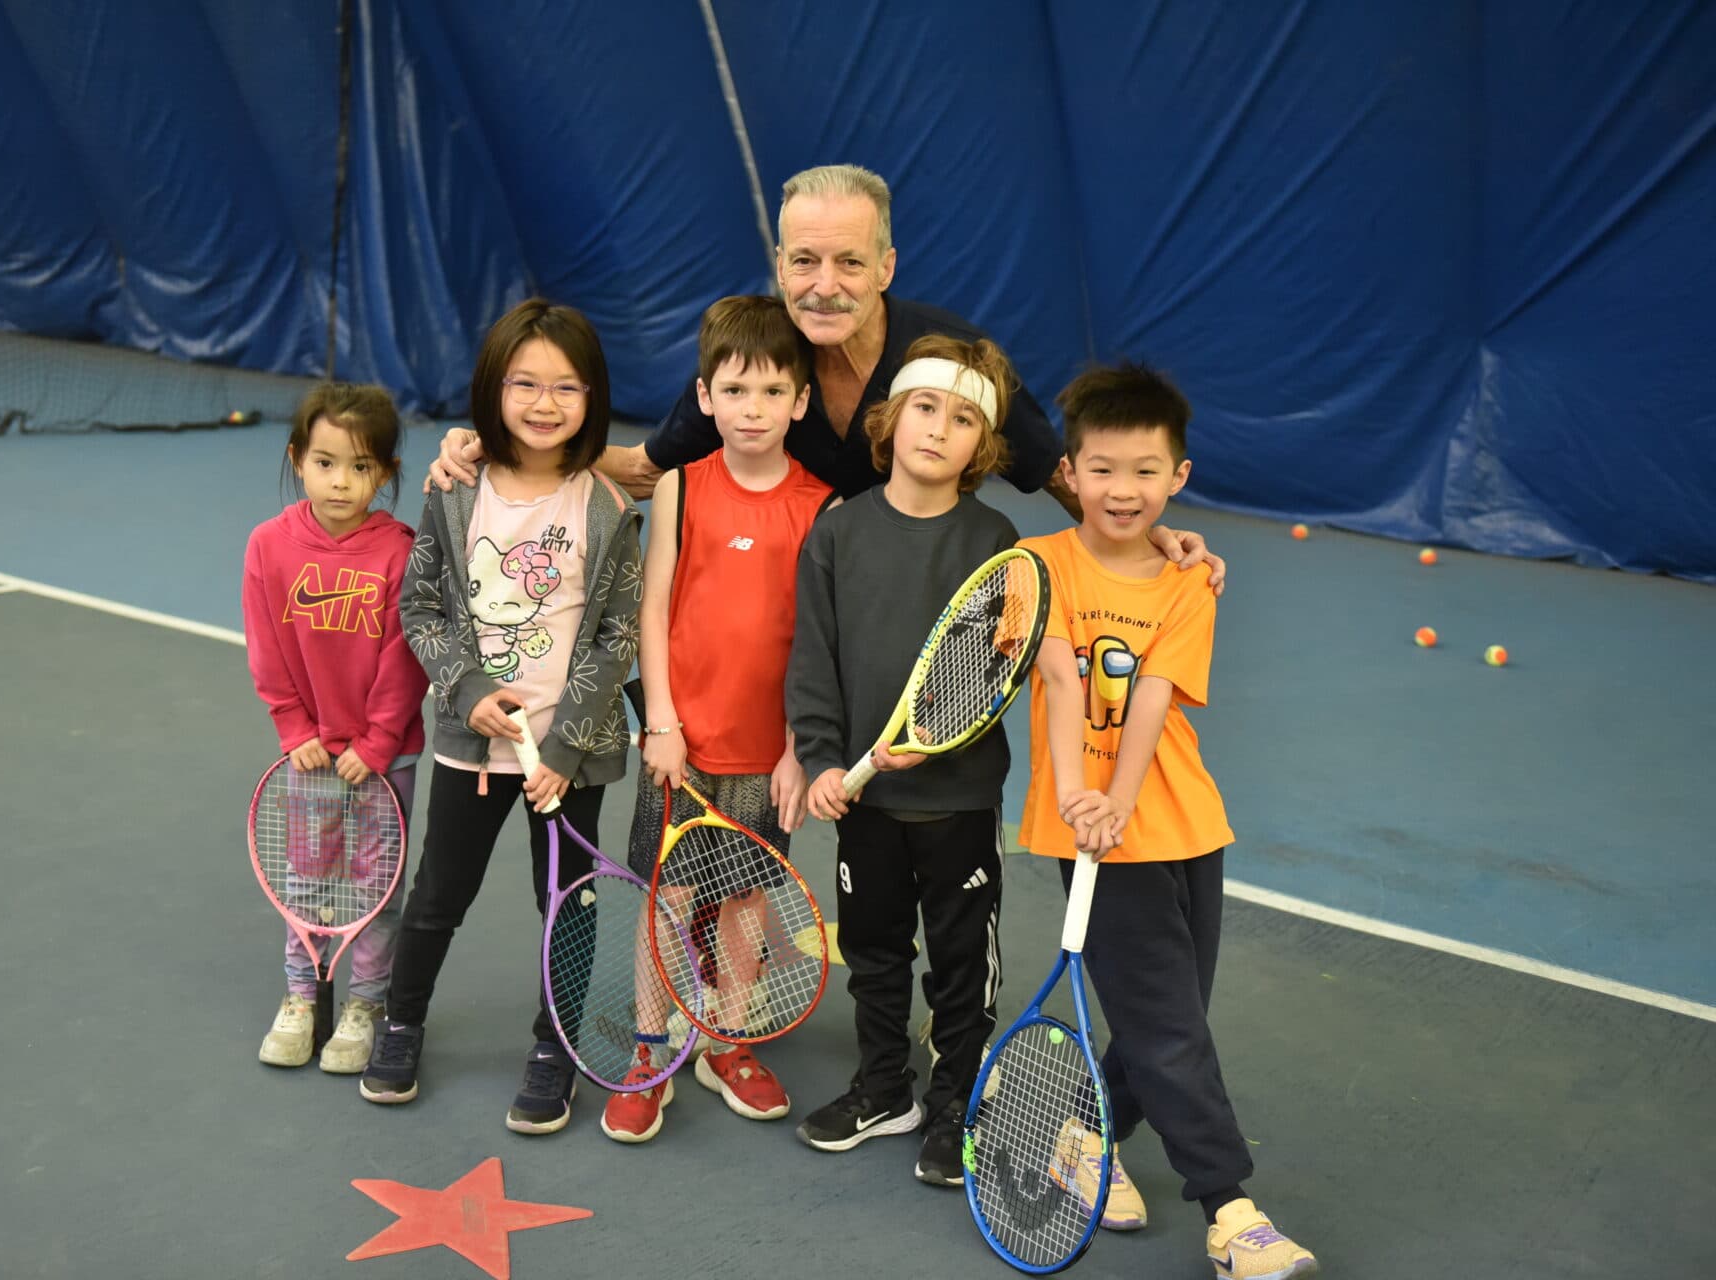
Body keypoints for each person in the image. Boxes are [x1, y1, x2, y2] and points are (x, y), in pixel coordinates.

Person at [423, 164, 1224, 591]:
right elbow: (640, 472)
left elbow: (1056, 475)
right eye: (803, 260)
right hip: (803, 622)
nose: (823, 283)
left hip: (909, 616)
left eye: (848, 261)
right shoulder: (754, 361)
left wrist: (1149, 532)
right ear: (779, 265)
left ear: (886, 267)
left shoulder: (952, 355)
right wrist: (496, 443)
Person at [1016, 362, 1317, 1278]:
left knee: (1166, 1020)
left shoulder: (1190, 580)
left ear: (1178, 478)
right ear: (1069, 472)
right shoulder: (1037, 566)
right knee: (1171, 1030)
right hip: (1091, 834)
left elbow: (1152, 694)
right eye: (1103, 469)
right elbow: (1062, 676)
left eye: (1146, 471)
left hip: (1183, 824)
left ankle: (1081, 1137)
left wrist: (1121, 796)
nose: (1124, 489)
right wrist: (1078, 795)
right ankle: (1232, 1213)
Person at [359, 299, 643, 1138]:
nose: (545, 402)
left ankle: (554, 1047)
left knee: (569, 908)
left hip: (571, 761)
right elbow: (421, 606)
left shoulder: (607, 508)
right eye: (525, 383)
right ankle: (400, 1022)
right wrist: (467, 689)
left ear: (593, 397)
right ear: (494, 388)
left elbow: (616, 634)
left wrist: (565, 745)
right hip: (469, 751)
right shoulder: (455, 492)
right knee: (438, 895)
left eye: (567, 386)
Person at [599, 295, 838, 1144]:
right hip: (682, 746)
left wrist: (797, 752)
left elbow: (817, 646)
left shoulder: (822, 508)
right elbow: (654, 608)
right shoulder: (677, 488)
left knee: (742, 901)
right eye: (735, 391)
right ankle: (649, 1048)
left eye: (773, 393)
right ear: (704, 397)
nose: (753, 409)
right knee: (669, 896)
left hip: (767, 756)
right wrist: (659, 721)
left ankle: (726, 1041)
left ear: (801, 403)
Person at [786, 333, 1020, 1188]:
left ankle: (957, 1098)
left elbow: (997, 674)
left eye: (962, 420)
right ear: (891, 420)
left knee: (961, 963)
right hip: (865, 805)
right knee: (876, 953)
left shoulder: (997, 540)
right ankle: (886, 1088)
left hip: (958, 802)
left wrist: (931, 741)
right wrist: (820, 758)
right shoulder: (838, 533)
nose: (937, 429)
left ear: (982, 448)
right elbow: (813, 658)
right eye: (925, 407)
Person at [242, 382, 428, 1074]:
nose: (341, 481)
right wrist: (296, 730)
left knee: (376, 885)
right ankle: (300, 996)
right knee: (308, 875)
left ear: (384, 474)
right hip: (311, 759)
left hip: (385, 761)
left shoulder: (401, 551)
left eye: (359, 467)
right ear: (298, 460)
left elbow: (408, 657)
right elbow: (266, 647)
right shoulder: (268, 546)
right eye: (325, 463)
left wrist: (377, 743)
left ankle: (365, 1003)